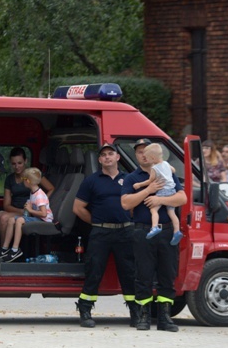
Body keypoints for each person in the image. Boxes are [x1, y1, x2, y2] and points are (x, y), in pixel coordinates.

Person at [121, 138, 187, 332]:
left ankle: (165, 317)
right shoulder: (132, 178)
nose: (143, 154)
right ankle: (143, 316)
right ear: (137, 156)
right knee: (143, 274)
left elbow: (182, 197)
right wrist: (148, 190)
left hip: (166, 230)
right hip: (143, 230)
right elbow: (126, 203)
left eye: (145, 150)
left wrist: (159, 198)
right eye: (139, 151)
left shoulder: (166, 170)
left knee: (168, 273)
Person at [72, 143, 137, 328]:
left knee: (129, 272)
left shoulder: (129, 180)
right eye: (103, 155)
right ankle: (85, 310)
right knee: (94, 271)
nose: (107, 157)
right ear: (99, 160)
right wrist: (96, 222)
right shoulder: (91, 181)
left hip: (125, 231)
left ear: (118, 157)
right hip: (100, 232)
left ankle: (135, 312)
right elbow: (77, 208)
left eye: (111, 154)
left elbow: (135, 205)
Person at [0, 147, 54, 260]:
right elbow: (6, 205)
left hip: (30, 211)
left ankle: (4, 252)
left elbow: (51, 189)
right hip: (18, 210)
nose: (17, 166)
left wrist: (39, 205)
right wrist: (22, 211)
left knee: (5, 218)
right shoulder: (10, 179)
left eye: (19, 163)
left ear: (25, 161)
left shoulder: (33, 175)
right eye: (13, 164)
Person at [0, 167, 53, 263]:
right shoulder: (33, 193)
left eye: (23, 179)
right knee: (11, 219)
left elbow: (44, 214)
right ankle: (4, 249)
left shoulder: (40, 195)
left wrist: (30, 210)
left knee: (19, 220)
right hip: (37, 218)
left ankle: (15, 250)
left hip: (44, 221)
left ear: (28, 181)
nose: (22, 182)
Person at [132, 143, 182, 244]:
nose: (147, 159)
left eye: (148, 158)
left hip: (163, 192)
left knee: (153, 210)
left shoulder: (154, 168)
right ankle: (177, 231)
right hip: (171, 191)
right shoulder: (166, 164)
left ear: (153, 158)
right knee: (172, 213)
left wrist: (139, 185)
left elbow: (150, 181)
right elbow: (173, 170)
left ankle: (154, 227)